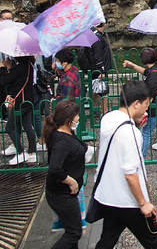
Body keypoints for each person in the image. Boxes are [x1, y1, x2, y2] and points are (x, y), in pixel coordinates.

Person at [94, 81, 157, 249]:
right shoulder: (130, 133)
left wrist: (135, 122)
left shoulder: (109, 118)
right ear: (136, 103)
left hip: (109, 196)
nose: (147, 109)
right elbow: (130, 173)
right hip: (129, 201)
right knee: (155, 240)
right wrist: (143, 203)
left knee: (107, 240)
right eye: (146, 104)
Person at [43, 100, 87, 249]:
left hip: (64, 194)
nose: (79, 118)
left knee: (71, 231)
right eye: (76, 115)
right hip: (62, 195)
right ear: (68, 119)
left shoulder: (65, 133)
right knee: (74, 233)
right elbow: (55, 168)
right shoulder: (61, 141)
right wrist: (70, 181)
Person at [123, 48, 157, 160]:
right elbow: (145, 71)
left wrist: (143, 109)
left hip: (155, 107)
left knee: (146, 131)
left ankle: (140, 157)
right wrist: (132, 66)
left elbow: (149, 92)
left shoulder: (154, 75)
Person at [0, 55, 40, 164]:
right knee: (28, 126)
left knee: (9, 127)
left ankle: (21, 152)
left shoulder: (19, 68)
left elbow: (4, 81)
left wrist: (4, 67)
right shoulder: (29, 66)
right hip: (28, 101)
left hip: (19, 103)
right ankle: (32, 153)